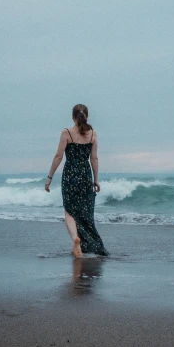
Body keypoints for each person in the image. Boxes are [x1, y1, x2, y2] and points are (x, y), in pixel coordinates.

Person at [45, 104, 108, 258]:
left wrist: (49, 178)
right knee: (85, 212)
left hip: (70, 175)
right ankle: (84, 243)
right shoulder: (93, 134)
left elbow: (58, 157)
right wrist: (96, 180)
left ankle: (75, 239)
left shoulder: (66, 133)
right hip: (85, 175)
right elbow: (94, 158)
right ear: (86, 116)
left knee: (69, 211)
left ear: (73, 117)